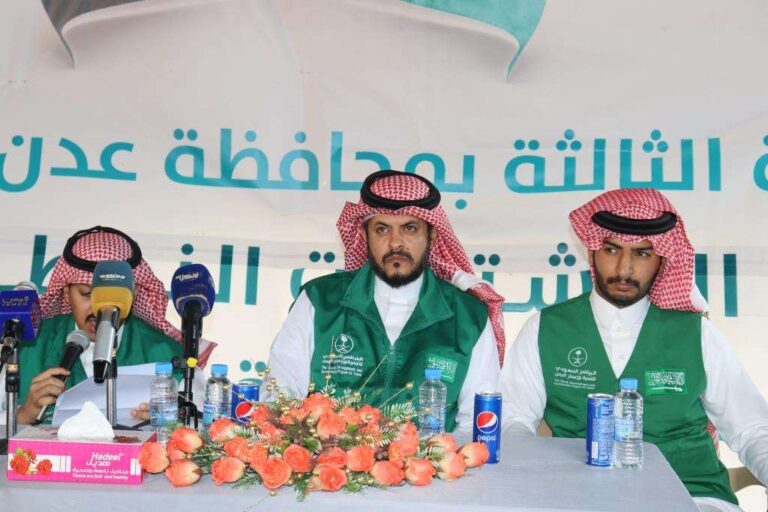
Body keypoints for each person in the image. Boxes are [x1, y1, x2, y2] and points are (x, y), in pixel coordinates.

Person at [499, 189, 768, 512]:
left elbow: (752, 430)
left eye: (641, 253)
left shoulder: (696, 333)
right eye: (612, 250)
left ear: (661, 260)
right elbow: (513, 421)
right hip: (577, 497)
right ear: (592, 251)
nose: (624, 269)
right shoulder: (546, 328)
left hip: (692, 495)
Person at [268, 170, 505, 431]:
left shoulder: (468, 317)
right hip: (329, 455)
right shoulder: (319, 302)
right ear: (365, 235)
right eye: (382, 229)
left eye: (410, 228)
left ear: (432, 235)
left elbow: (476, 426)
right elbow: (279, 399)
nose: (395, 243)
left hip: (432, 457)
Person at [6, 226, 215, 425]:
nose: (99, 308)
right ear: (66, 293)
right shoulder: (26, 346)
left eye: (111, 297)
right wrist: (23, 415)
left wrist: (170, 422)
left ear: (134, 295)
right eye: (87, 294)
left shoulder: (168, 354)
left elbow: (204, 429)